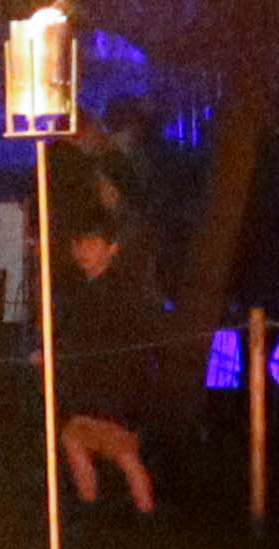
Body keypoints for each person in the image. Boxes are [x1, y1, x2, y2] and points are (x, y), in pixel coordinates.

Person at [48, 213, 183, 516]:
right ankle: (90, 506)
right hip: (89, 389)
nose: (83, 250)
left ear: (111, 248)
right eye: (80, 244)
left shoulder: (121, 291)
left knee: (123, 453)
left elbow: (108, 337)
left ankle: (146, 510)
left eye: (92, 243)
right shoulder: (80, 292)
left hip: (115, 390)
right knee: (74, 440)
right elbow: (75, 335)